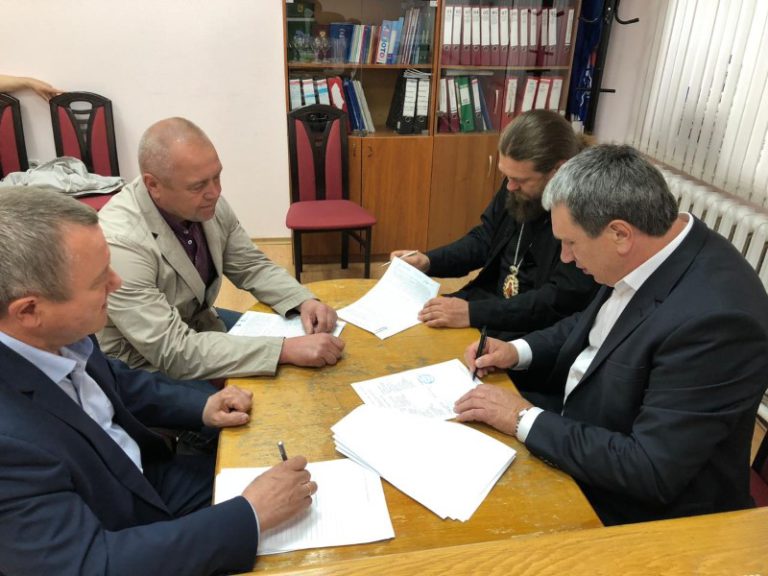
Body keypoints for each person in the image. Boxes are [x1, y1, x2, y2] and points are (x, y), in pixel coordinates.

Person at [0, 187, 317, 575]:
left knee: (295, 479)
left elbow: (113, 382)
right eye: (99, 280)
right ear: (29, 311)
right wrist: (250, 514)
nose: (117, 283)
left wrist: (201, 407)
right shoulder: (9, 444)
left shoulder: (58, 333)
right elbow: (90, 564)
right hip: (120, 532)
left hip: (144, 475)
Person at [455, 145, 768, 525]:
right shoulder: (653, 249)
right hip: (580, 425)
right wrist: (516, 350)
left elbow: (650, 469)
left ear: (619, 233)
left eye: (571, 243)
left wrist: (521, 417)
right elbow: (593, 327)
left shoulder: (719, 322)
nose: (565, 258)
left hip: (645, 511)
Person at [98, 117, 345, 381]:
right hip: (142, 365)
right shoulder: (122, 243)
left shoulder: (203, 202)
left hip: (196, 325)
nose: (215, 192)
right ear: (153, 185)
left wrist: (302, 301)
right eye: (198, 185)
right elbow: (173, 351)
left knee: (306, 364)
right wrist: (284, 350)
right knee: (263, 393)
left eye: (217, 176)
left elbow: (250, 265)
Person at [390, 110, 598, 343]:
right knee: (411, 330)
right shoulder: (516, 186)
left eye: (520, 180)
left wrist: (472, 313)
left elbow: (558, 300)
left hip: (530, 331)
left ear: (558, 171)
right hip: (489, 303)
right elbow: (485, 239)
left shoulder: (586, 213)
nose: (510, 187)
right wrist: (429, 261)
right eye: (507, 176)